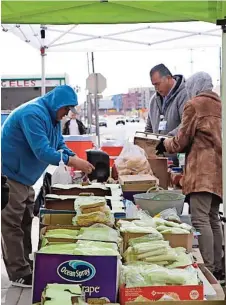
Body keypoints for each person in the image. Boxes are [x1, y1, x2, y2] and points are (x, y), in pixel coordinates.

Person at [1, 85, 94, 288]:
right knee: (12, 224)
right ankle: (18, 272)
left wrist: (73, 156)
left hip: (25, 177)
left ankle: (25, 264)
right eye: (65, 109)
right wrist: (72, 162)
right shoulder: (32, 114)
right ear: (57, 104)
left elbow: (59, 144)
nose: (66, 114)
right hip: (9, 174)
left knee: (26, 221)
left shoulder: (52, 118)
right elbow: (43, 151)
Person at [156, 72, 223, 279]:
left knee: (200, 218)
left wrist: (164, 144)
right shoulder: (220, 104)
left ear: (195, 86)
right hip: (219, 169)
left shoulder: (195, 105)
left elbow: (181, 140)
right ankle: (219, 266)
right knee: (212, 217)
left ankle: (208, 268)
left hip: (201, 170)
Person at [145, 64, 189, 136]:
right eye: (154, 85)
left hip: (177, 146)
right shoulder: (153, 100)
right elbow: (149, 129)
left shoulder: (185, 95)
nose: (156, 88)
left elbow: (187, 125)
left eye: (158, 84)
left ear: (168, 78)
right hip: (158, 146)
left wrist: (166, 141)